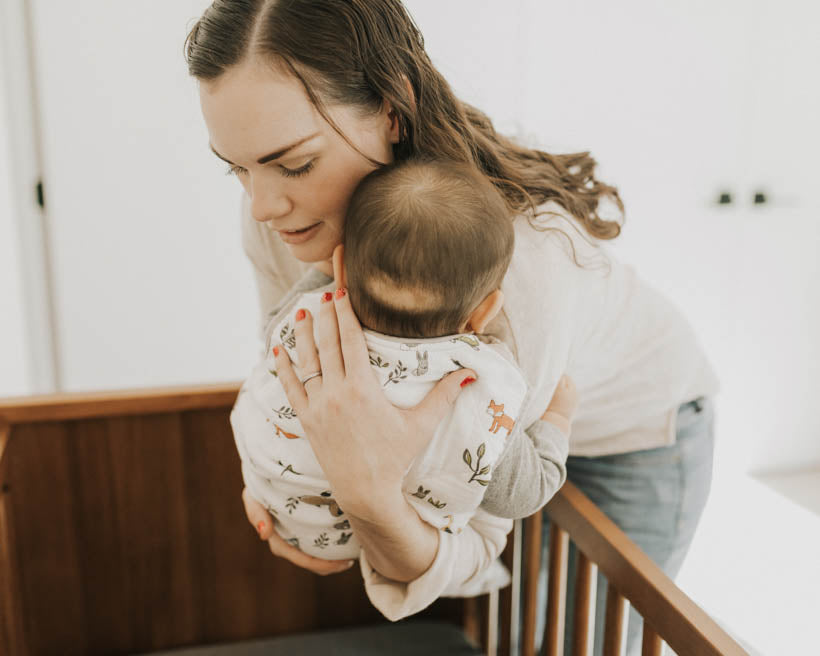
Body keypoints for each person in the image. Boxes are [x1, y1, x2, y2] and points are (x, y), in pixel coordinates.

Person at [186, 0, 718, 652]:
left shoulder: (515, 276)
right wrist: (295, 490)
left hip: (634, 432)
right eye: (236, 168)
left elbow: (475, 538)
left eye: (293, 163)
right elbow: (299, 383)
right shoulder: (280, 222)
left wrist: (370, 504)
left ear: (392, 110)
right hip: (512, 431)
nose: (263, 205)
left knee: (554, 642)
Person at [229, 160, 575, 619]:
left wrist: (331, 279)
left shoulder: (308, 316)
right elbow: (524, 493)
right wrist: (558, 420)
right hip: (371, 541)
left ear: (341, 270)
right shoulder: (472, 388)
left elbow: (274, 331)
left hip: (279, 506)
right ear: (485, 311)